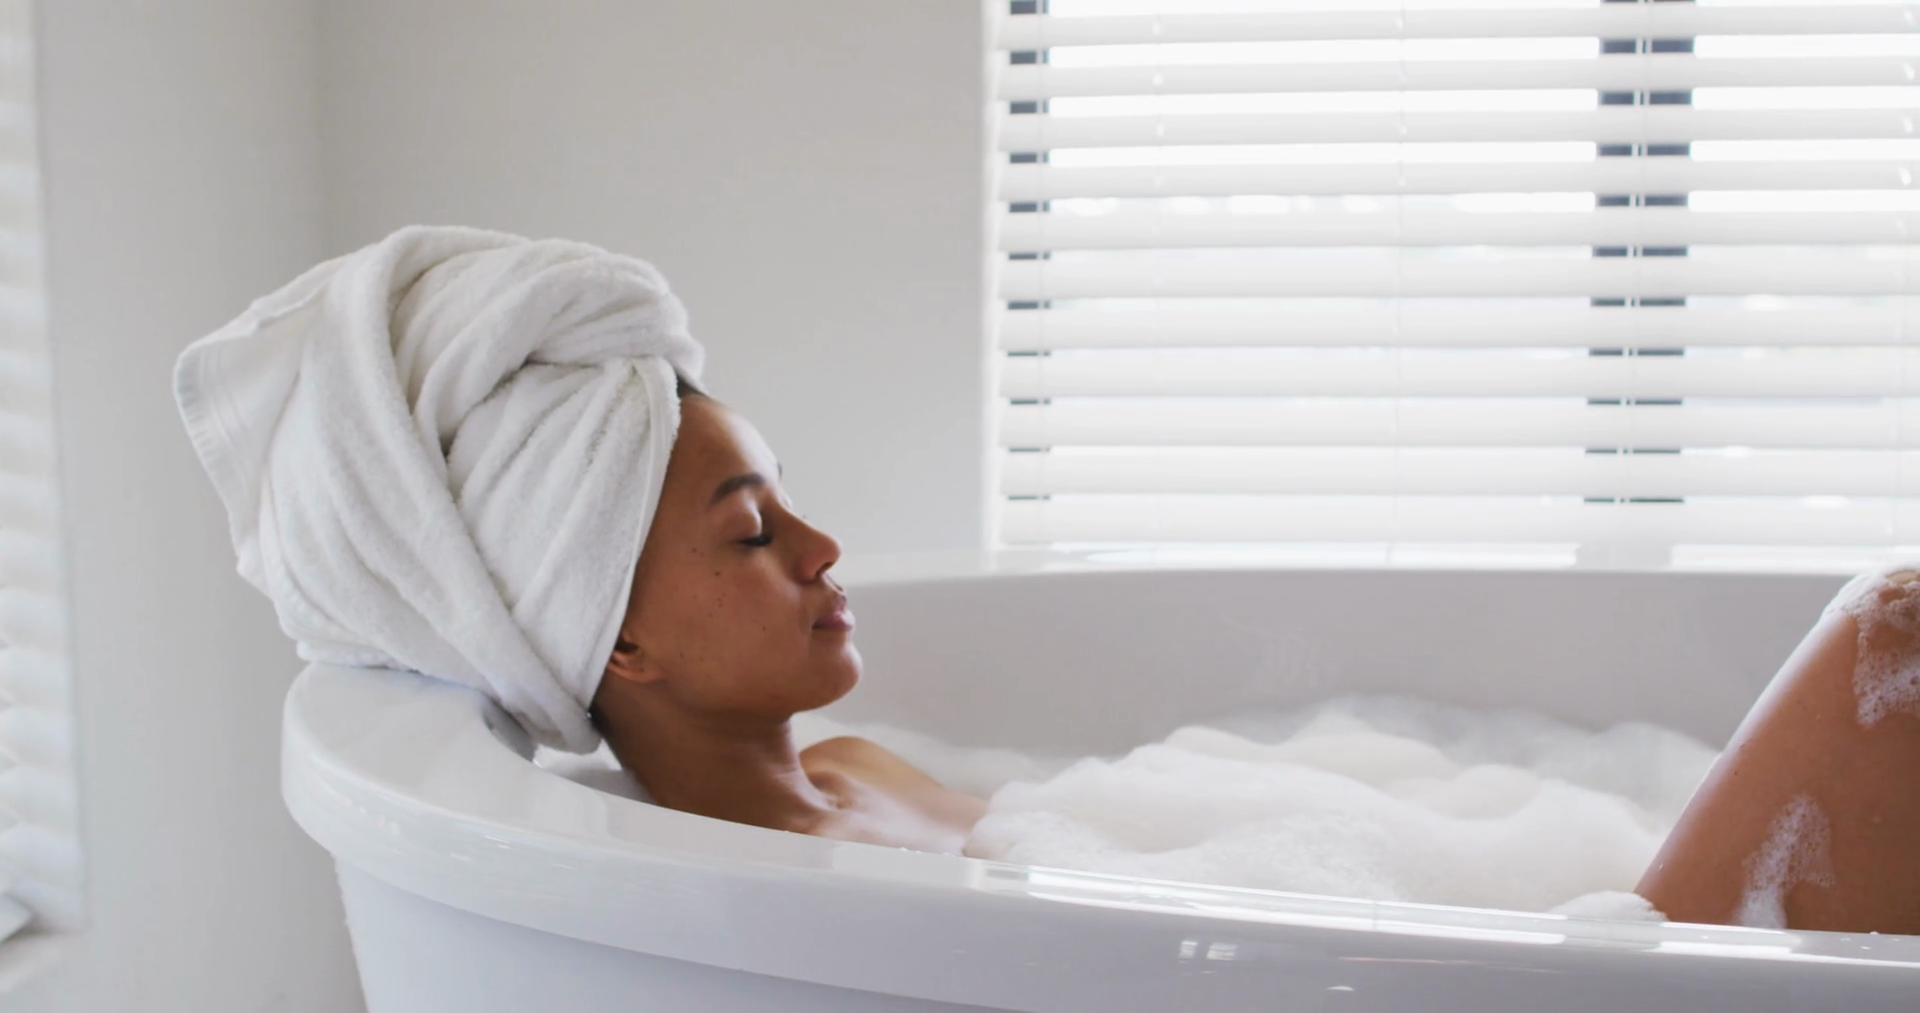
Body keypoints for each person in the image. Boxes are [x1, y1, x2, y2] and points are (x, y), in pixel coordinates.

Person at [176, 226, 1918, 936]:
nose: (823, 551)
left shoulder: (868, 783)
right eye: (750, 533)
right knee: (1887, 645)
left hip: (1560, 936)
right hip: (1596, 972)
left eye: (787, 502)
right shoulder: (760, 908)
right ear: (608, 637)